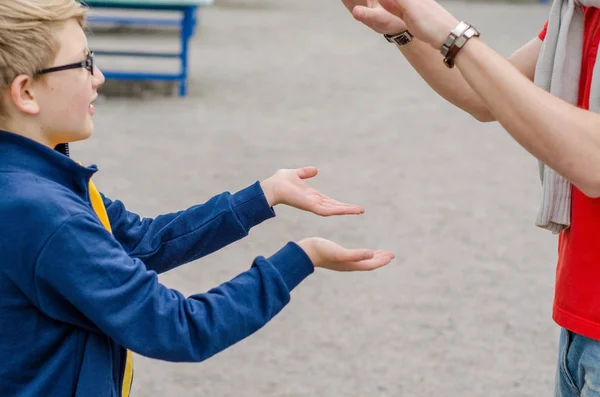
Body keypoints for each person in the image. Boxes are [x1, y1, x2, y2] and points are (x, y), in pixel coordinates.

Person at [0, 1, 395, 396]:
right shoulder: (46, 213)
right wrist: (303, 257)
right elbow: (179, 328)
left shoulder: (39, 178)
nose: (99, 77)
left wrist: (262, 195)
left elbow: (140, 243)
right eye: (83, 64)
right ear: (27, 91)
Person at [340, 0, 600, 395]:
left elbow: (593, 163)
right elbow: (484, 95)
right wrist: (402, 27)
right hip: (580, 321)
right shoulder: (579, 12)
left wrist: (453, 34)